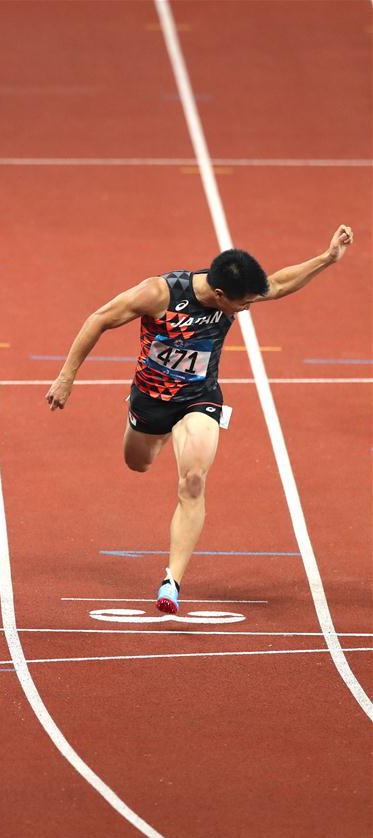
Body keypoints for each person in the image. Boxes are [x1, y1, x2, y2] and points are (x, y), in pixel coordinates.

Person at [45, 225, 354, 613]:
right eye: (240, 305)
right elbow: (99, 318)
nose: (244, 310)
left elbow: (276, 284)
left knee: (193, 480)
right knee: (137, 463)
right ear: (221, 294)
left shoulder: (237, 292)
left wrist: (327, 258)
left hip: (200, 398)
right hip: (151, 399)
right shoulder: (160, 293)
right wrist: (66, 377)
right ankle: (150, 429)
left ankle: (171, 580)